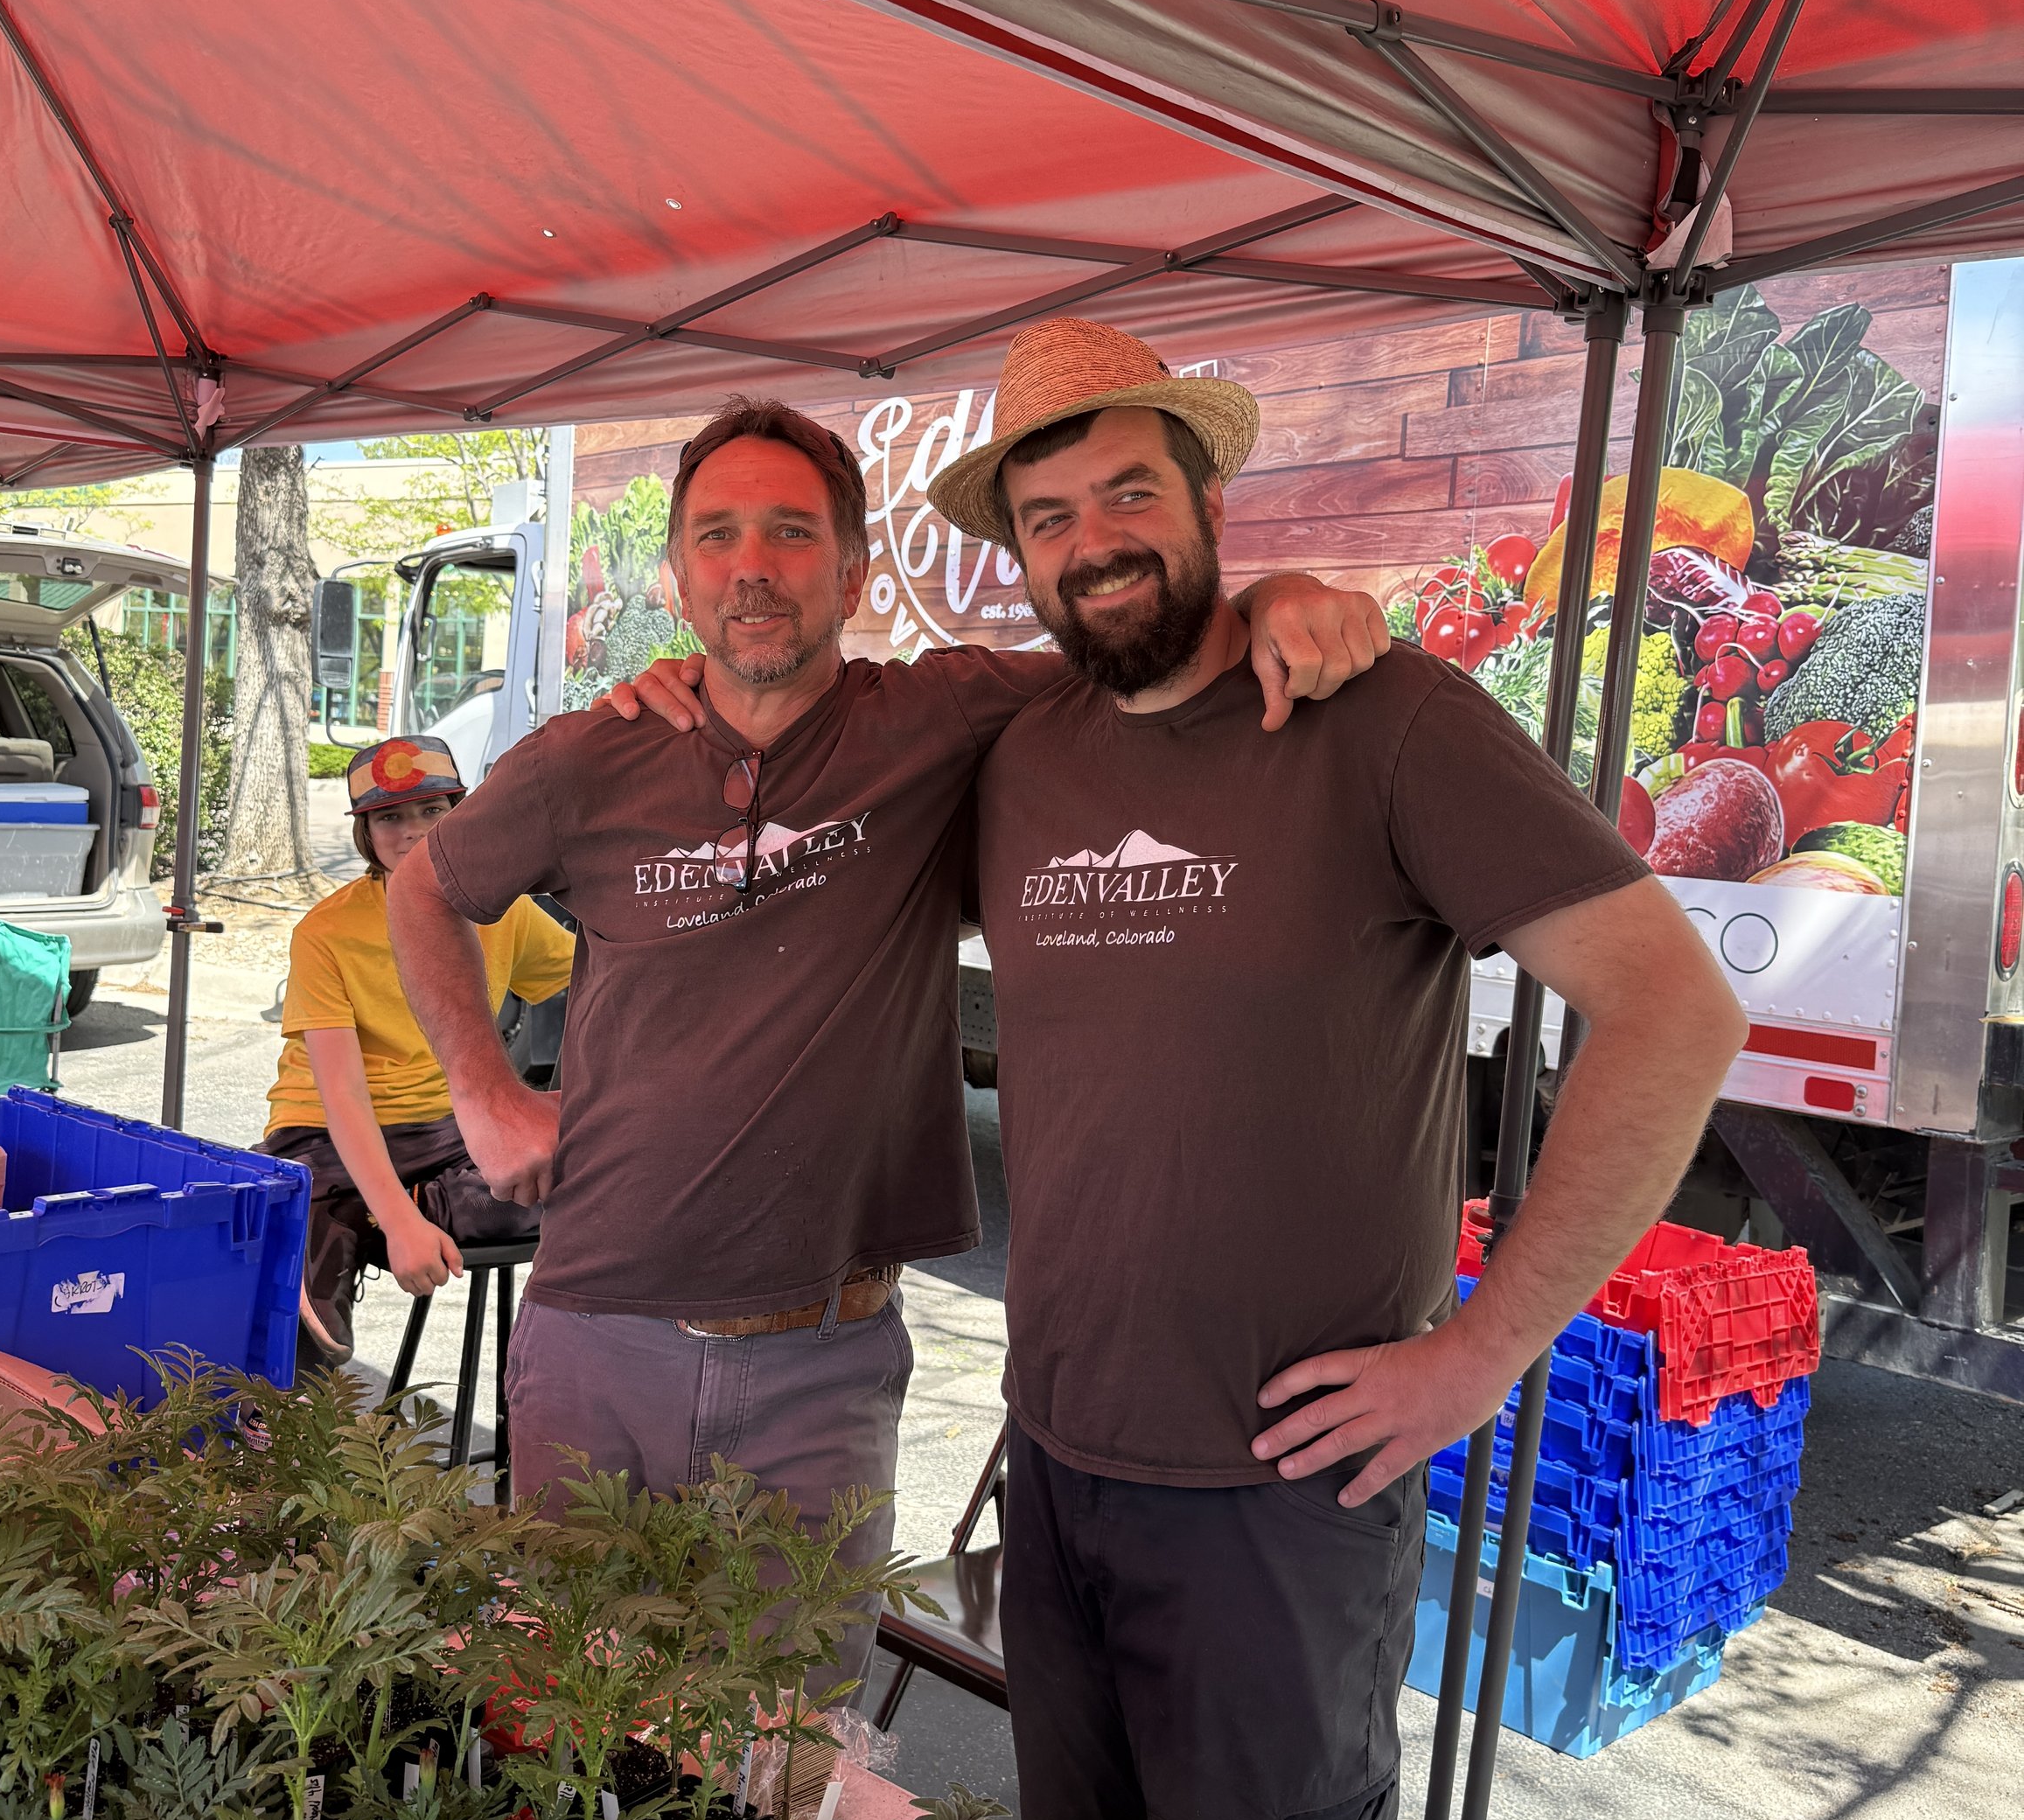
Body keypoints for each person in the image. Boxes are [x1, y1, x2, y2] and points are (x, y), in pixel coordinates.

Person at [916, 318, 1745, 1820]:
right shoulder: (1015, 755)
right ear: (1017, 555)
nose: (1096, 540)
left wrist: (1484, 1351)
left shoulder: (1389, 721)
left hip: (1279, 1508)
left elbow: (1674, 1011)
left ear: (1209, 487)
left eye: (1130, 488)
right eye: (1052, 515)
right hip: (1060, 1468)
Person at [384, 396, 1387, 1683]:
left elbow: (1147, 649)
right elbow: (425, 888)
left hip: (823, 1357)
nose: (754, 565)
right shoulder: (598, 749)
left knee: (790, 1774)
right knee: (565, 1725)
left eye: (793, 534)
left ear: (852, 571)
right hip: (597, 1333)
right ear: (679, 573)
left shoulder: (943, 714)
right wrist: (483, 1092)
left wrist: (1281, 593)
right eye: (719, 535)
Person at [261, 735, 575, 1364]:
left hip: (448, 1129)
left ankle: (414, 1202)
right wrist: (401, 1228)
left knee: (584, 1187)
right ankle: (361, 1220)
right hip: (324, 1132)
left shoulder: (502, 912)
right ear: (365, 834)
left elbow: (601, 973)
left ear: (463, 812)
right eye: (390, 817)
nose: (414, 831)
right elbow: (342, 1095)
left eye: (434, 810)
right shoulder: (325, 932)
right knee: (299, 1317)